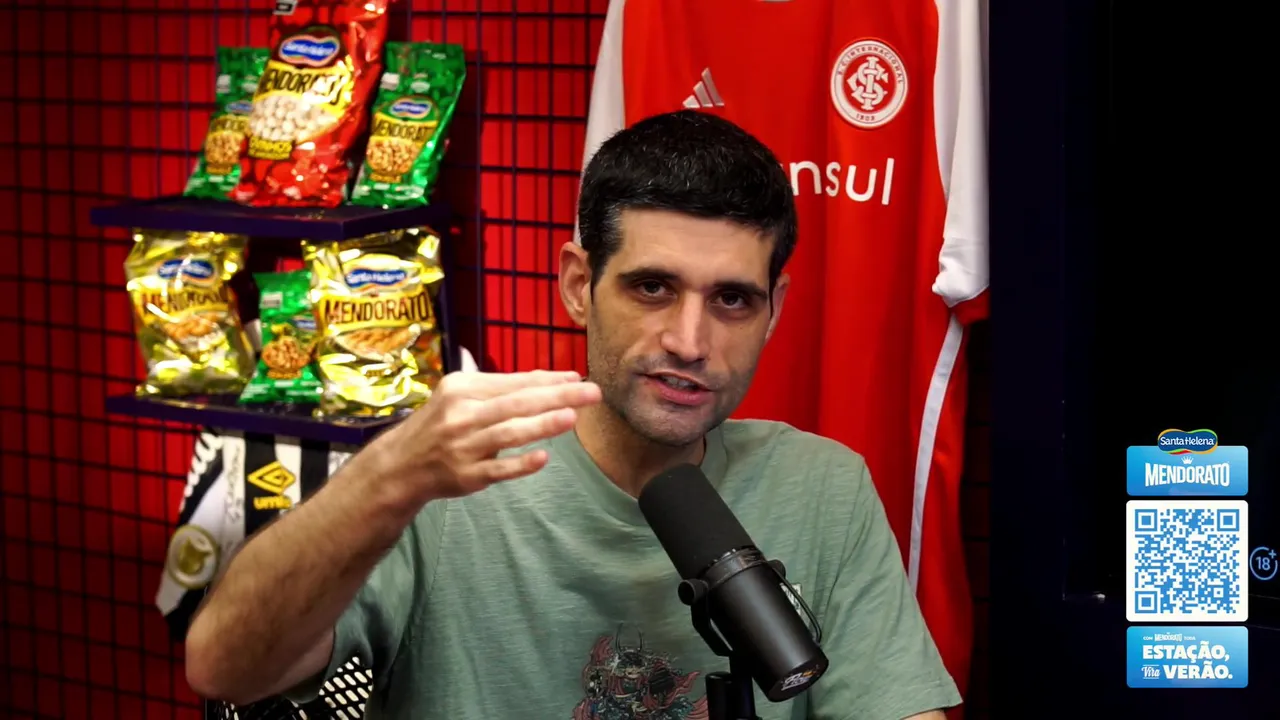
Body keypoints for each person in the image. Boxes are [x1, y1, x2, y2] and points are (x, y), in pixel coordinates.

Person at [184, 109, 962, 719]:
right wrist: (382, 479)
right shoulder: (446, 482)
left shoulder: (823, 487)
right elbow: (223, 667)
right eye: (652, 288)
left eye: (732, 300)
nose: (690, 342)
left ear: (775, 311)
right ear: (579, 286)